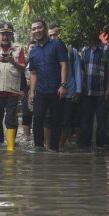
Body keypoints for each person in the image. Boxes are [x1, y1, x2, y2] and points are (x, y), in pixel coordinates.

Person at [0, 22, 26, 151]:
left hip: (12, 90)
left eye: (8, 34)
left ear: (12, 35)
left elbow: (23, 69)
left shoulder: (19, 49)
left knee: (11, 119)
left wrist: (13, 61)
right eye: (3, 34)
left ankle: (11, 148)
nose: (5, 37)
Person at [28, 20, 68, 152]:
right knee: (37, 119)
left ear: (44, 29)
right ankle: (38, 148)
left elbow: (63, 64)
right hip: (40, 90)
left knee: (56, 120)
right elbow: (33, 73)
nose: (36, 31)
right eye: (33, 29)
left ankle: (54, 149)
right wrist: (32, 92)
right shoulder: (33, 51)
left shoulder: (57, 44)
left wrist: (63, 85)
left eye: (39, 28)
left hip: (56, 89)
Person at [48, 25, 82, 149]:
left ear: (60, 34)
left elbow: (77, 70)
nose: (53, 37)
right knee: (51, 119)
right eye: (50, 35)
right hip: (52, 90)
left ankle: (61, 146)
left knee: (66, 120)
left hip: (70, 90)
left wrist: (78, 90)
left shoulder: (71, 50)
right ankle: (50, 146)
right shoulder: (47, 49)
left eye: (55, 34)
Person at [80, 35, 109, 148]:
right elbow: (82, 69)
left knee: (102, 121)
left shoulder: (106, 49)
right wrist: (81, 87)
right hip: (87, 91)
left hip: (102, 92)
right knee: (86, 120)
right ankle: (85, 146)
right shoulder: (84, 50)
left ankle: (100, 147)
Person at [21, 41, 36, 142]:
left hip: (38, 89)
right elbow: (19, 73)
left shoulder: (40, 59)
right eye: (31, 47)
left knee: (38, 114)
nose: (33, 49)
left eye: (35, 47)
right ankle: (27, 137)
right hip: (25, 90)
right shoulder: (24, 61)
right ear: (27, 49)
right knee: (26, 114)